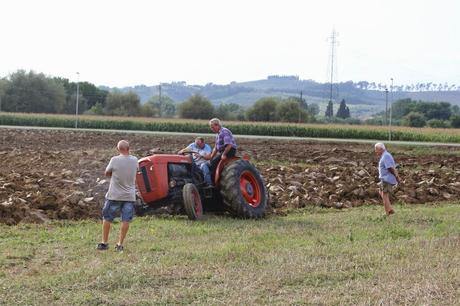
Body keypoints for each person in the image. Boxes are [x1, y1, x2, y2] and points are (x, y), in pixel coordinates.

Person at [97, 140, 138, 251]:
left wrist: (113, 173)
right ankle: (120, 244)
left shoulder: (114, 160)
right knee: (125, 220)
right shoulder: (135, 160)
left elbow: (106, 173)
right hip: (129, 196)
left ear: (117, 149)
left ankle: (104, 242)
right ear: (129, 148)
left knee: (107, 218)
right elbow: (136, 171)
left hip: (114, 195)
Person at [374, 142, 401, 216]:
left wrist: (397, 177)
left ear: (381, 149)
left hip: (386, 179)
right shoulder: (385, 155)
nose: (375, 151)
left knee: (384, 195)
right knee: (380, 191)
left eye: (376, 149)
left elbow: (390, 168)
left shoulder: (385, 156)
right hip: (385, 178)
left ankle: (388, 213)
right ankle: (390, 209)